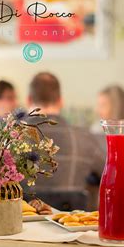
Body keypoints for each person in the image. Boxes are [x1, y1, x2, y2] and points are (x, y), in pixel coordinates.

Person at [26, 72, 105, 208]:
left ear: (28, 100)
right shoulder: (83, 137)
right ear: (61, 101)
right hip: (71, 224)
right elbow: (108, 172)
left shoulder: (10, 138)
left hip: (21, 223)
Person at [94, 85, 124, 167]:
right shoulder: (96, 129)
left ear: (117, 106)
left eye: (103, 105)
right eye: (98, 105)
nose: (97, 110)